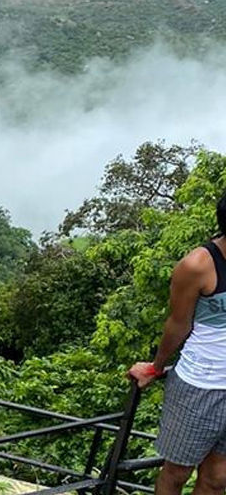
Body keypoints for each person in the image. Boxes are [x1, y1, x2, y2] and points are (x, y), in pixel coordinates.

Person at [128, 193, 226, 495]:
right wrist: (156, 367)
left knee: (218, 479)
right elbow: (178, 323)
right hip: (200, 385)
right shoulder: (198, 265)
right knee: (177, 472)